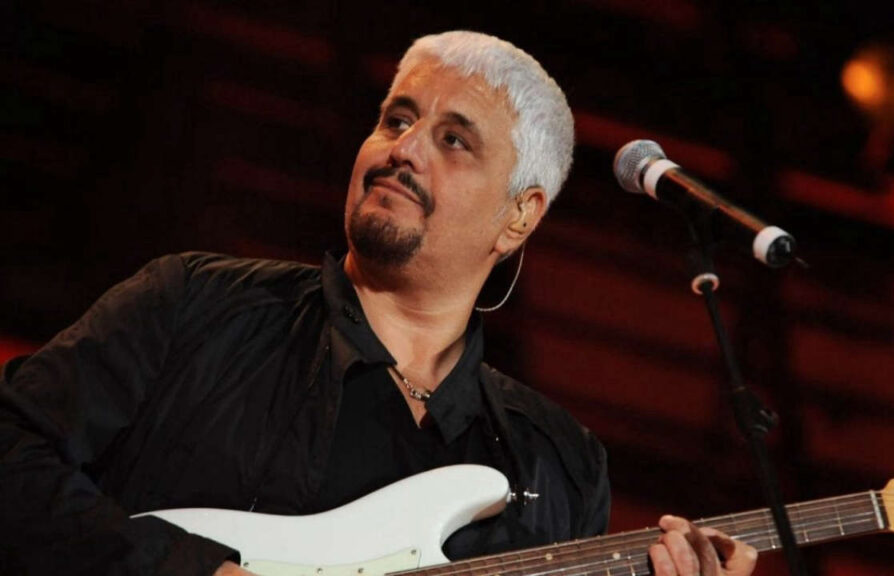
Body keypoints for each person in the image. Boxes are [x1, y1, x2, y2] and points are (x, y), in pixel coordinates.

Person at [0, 31, 757, 576]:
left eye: (454, 140)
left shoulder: (558, 464)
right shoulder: (194, 302)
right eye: (397, 119)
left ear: (519, 216)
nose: (404, 148)